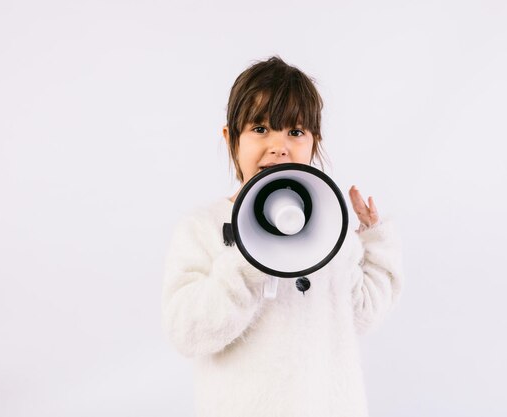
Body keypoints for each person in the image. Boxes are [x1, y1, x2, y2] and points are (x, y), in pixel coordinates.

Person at [161, 56, 403, 417]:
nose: (279, 145)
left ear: (314, 142)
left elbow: (363, 314)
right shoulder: (203, 228)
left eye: (295, 131)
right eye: (260, 129)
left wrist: (373, 239)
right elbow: (188, 333)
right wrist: (248, 260)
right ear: (231, 138)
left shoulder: (329, 227)